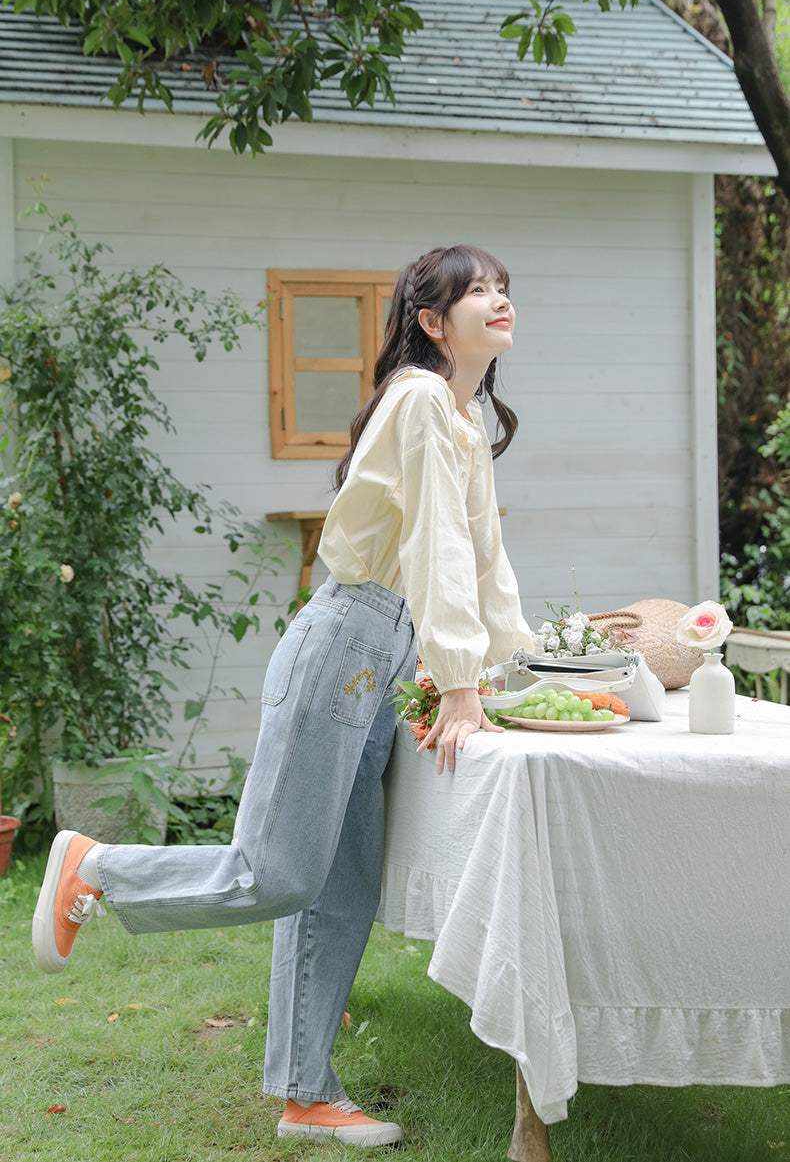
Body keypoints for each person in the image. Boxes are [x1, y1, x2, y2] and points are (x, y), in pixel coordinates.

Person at [31, 244, 534, 1148]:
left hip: (386, 652)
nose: (499, 299)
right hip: (347, 639)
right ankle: (96, 868)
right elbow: (434, 552)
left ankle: (307, 1093)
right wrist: (461, 682)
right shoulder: (421, 399)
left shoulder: (462, 415)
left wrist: (514, 671)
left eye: (503, 288)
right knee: (279, 869)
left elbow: (483, 559)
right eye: (477, 291)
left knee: (342, 887)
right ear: (431, 322)